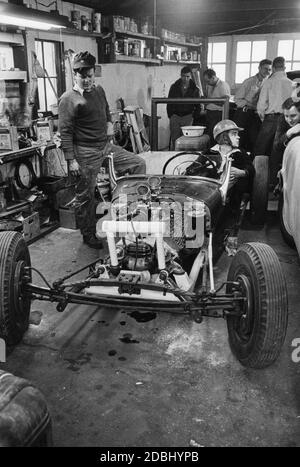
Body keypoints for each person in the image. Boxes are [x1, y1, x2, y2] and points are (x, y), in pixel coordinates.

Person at [58, 51, 146, 249]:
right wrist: (71, 159)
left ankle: (130, 213)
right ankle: (88, 234)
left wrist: (108, 123)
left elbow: (106, 109)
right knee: (85, 195)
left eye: (90, 76)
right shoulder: (68, 99)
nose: (87, 80)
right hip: (85, 152)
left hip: (105, 146)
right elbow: (65, 132)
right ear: (75, 76)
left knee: (138, 163)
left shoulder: (99, 90)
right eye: (83, 77)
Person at [185, 120, 254, 200]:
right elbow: (193, 167)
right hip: (208, 189)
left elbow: (251, 168)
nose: (238, 137)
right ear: (224, 137)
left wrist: (242, 172)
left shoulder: (240, 152)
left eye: (237, 134)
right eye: (234, 134)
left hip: (232, 193)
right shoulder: (209, 152)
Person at [254, 56, 294, 185]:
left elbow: (261, 106)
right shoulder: (290, 83)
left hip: (270, 118)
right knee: (278, 152)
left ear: (274, 68)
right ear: (284, 67)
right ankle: (273, 183)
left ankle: (256, 183)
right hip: (286, 119)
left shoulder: (268, 82)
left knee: (260, 150)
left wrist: (264, 119)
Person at [234, 59, 272, 153]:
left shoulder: (267, 82)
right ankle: (237, 164)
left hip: (256, 116)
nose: (267, 72)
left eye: (269, 70)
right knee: (239, 140)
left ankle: (250, 165)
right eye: (265, 69)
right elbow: (237, 99)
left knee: (255, 141)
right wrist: (251, 104)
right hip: (243, 114)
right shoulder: (249, 82)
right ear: (259, 68)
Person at [167, 66, 201, 149]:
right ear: (180, 75)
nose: (185, 79)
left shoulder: (195, 89)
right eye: (183, 76)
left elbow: (198, 105)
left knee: (186, 140)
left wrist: (194, 116)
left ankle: (185, 157)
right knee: (175, 138)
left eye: (187, 76)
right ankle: (174, 157)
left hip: (188, 116)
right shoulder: (174, 87)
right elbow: (169, 102)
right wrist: (171, 115)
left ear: (191, 76)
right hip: (175, 116)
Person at [271, 97, 300, 183]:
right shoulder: (282, 120)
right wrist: (288, 133)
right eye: (286, 116)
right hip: (288, 160)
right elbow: (276, 146)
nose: (289, 120)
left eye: (293, 116)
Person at [203, 69, 231, 143]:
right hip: (209, 113)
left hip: (217, 114)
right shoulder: (209, 85)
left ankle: (214, 153)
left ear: (213, 77)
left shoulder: (223, 85)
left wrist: (209, 100)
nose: (207, 83)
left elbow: (224, 102)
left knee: (215, 136)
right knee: (209, 135)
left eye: (208, 81)